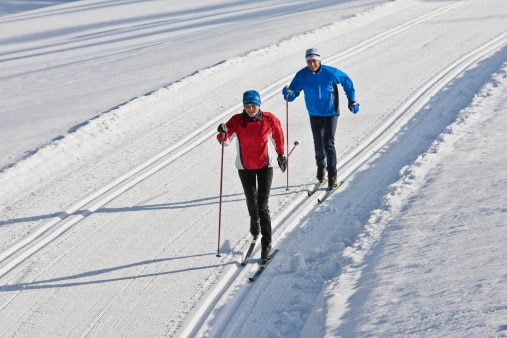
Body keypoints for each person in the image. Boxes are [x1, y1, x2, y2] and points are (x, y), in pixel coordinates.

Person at [217, 90, 286, 263]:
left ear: (259, 104)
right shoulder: (237, 120)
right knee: (251, 200)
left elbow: (278, 136)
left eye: (253, 105)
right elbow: (225, 141)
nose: (250, 109)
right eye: (247, 106)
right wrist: (222, 132)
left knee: (262, 204)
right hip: (245, 166)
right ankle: (254, 222)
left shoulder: (269, 119)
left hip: (265, 166)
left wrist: (281, 154)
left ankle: (267, 243)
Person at [282, 48, 359, 190]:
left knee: (328, 143)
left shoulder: (330, 72)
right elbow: (292, 94)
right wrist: (288, 93)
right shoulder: (302, 75)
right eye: (309, 61)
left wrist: (352, 100)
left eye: (314, 61)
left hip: (331, 113)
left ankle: (332, 176)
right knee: (318, 144)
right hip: (314, 113)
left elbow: (346, 81)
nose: (311, 64)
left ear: (319, 60)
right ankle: (321, 167)